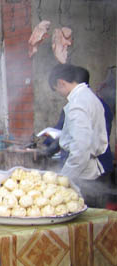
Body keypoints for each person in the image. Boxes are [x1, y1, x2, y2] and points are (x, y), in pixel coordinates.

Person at [48, 64, 109, 207]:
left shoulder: (78, 104)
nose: (60, 94)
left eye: (57, 90)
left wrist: (64, 179)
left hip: (82, 176)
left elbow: (80, 149)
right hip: (89, 171)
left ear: (61, 82)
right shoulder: (89, 97)